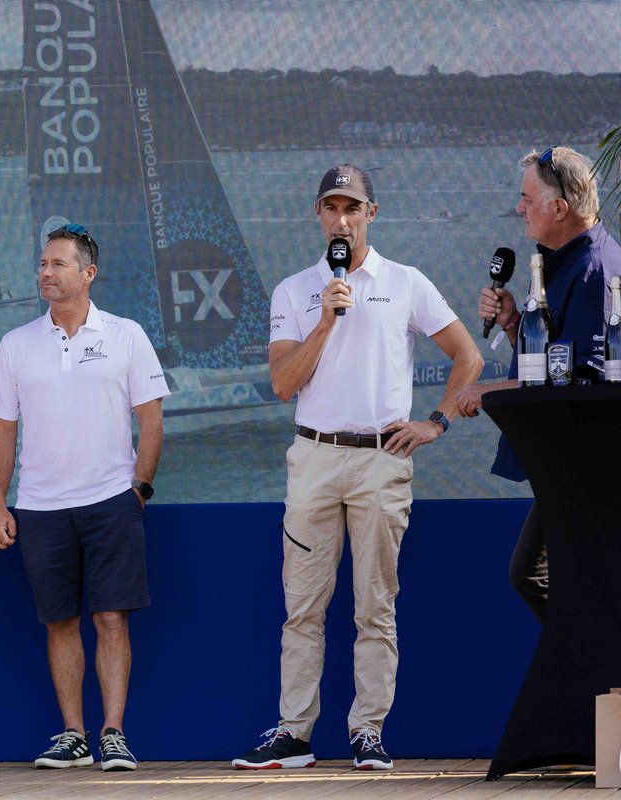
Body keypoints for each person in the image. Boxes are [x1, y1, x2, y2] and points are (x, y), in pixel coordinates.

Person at [234, 166, 483, 771]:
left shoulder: (404, 282)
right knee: (304, 605)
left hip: (381, 458)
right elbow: (281, 382)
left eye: (353, 208)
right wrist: (324, 320)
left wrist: (437, 422)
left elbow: (467, 356)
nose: (341, 220)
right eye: (331, 208)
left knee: (375, 604)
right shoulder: (295, 291)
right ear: (318, 215)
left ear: (372, 213)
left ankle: (367, 731)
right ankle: (294, 734)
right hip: (314, 456)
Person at [0, 223, 168, 772]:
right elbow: (2, 430)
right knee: (60, 621)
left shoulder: (127, 334)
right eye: (42, 263)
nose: (44, 272)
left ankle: (112, 732)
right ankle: (73, 734)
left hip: (112, 501)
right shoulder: (16, 344)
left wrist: (139, 489)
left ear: (88, 274)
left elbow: (152, 418)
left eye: (57, 263)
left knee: (111, 618)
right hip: (39, 507)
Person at [454, 147, 621, 622]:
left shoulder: (596, 269)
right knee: (544, 575)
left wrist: (486, 391)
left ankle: (597, 666)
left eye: (527, 198)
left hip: (589, 466)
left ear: (559, 208)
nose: (519, 207)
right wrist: (511, 325)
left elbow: (583, 382)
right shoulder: (563, 260)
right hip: (571, 463)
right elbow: (552, 360)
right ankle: (593, 669)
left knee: (534, 574)